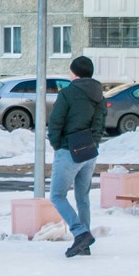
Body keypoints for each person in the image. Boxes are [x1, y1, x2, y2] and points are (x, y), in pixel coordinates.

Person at [46, 55, 108, 257]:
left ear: (75, 73)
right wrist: (93, 143)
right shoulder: (99, 94)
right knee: (82, 196)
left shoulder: (68, 93)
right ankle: (85, 243)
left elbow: (55, 122)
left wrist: (57, 144)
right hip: (90, 150)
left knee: (57, 195)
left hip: (68, 149)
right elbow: (100, 124)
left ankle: (80, 233)